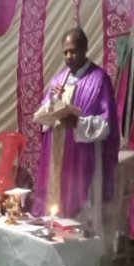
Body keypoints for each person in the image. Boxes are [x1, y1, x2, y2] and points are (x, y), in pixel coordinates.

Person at [34, 27, 120, 231]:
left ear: (84, 49)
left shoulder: (99, 79)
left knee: (81, 221)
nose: (68, 56)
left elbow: (107, 125)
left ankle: (81, 258)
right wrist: (53, 102)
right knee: (54, 212)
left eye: (73, 51)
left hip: (83, 159)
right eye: (65, 52)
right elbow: (44, 117)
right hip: (57, 158)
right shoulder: (58, 80)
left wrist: (78, 123)